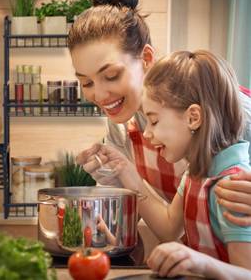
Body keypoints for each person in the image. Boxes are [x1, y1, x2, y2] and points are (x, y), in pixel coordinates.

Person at [68, 0, 251, 226]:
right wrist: (113, 182)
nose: (99, 95)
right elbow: (154, 226)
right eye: (87, 82)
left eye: (111, 75)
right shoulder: (121, 129)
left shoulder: (233, 109)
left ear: (146, 59)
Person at [82, 50, 251, 279]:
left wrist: (200, 263)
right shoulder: (196, 172)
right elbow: (169, 228)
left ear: (193, 118)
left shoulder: (232, 187)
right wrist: (123, 168)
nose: (148, 133)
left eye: (154, 120)